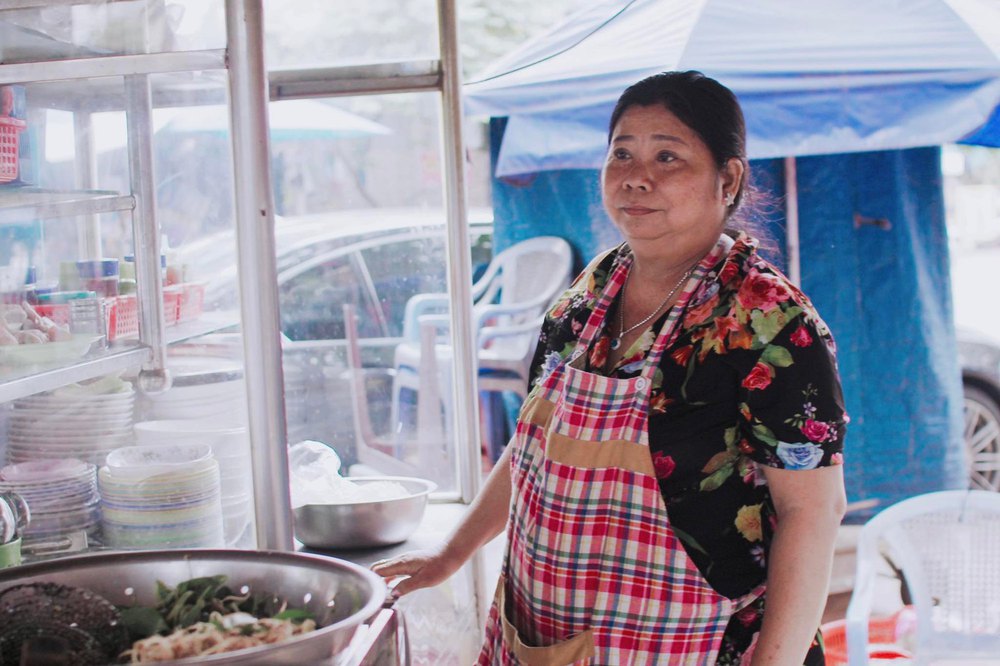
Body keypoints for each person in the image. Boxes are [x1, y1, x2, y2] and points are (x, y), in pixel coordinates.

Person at [373, 70, 847, 665]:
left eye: (667, 156)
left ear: (727, 179)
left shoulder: (767, 323)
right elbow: (531, 448)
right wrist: (451, 553)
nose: (635, 177)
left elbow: (814, 510)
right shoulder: (589, 292)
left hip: (696, 642)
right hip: (547, 628)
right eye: (621, 152)